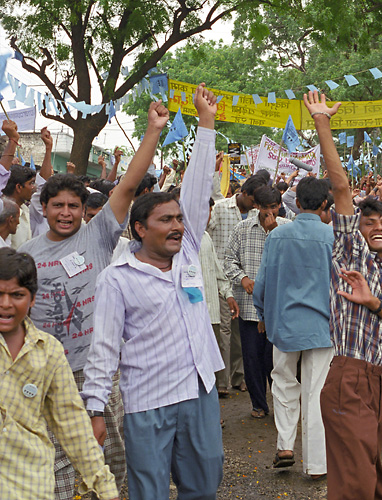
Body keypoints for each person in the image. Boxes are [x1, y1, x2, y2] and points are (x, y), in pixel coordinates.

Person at [81, 84, 225, 499]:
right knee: (150, 492)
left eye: (180, 218)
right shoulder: (117, 278)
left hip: (199, 393)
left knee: (204, 485)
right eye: (167, 220)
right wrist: (95, 409)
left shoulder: (189, 254)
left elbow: (198, 189)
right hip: (148, 403)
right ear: (140, 229)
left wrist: (206, 122)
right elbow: (104, 348)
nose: (179, 225)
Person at [19, 107, 167, 500]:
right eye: (57, 206)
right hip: (53, 373)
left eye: (73, 206)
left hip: (101, 371)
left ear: (84, 210)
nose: (65, 213)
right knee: (58, 464)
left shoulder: (97, 235)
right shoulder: (28, 254)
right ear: (44, 209)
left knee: (115, 460)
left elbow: (129, 184)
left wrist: (153, 129)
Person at [303, 90, 382, 500]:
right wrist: (323, 124)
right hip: (347, 379)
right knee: (355, 486)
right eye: (367, 222)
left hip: (375, 383)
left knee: (373, 481)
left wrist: (375, 304)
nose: (377, 227)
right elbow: (341, 187)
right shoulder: (349, 252)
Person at [0, 248, 118, 500]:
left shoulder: (48, 352)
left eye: (17, 295)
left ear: (32, 299)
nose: (6, 304)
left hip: (29, 484)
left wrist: (105, 488)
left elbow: (72, 423)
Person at [252, 176, 334, 477]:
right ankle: (316, 464)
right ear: (325, 203)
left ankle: (285, 446)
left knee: (284, 384)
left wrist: (262, 314)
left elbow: (261, 284)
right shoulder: (332, 237)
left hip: (285, 324)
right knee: (316, 393)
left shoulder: (276, 237)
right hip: (323, 327)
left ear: (296, 203)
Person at [224, 185, 289, 419]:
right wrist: (242, 279)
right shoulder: (242, 229)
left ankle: (282, 404)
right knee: (251, 359)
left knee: (276, 361)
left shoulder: (286, 229)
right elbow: (229, 260)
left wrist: (274, 232)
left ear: (279, 206)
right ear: (256, 206)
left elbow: (293, 262)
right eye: (265, 207)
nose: (269, 212)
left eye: (274, 207)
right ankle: (259, 404)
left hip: (277, 309)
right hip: (249, 308)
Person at [207, 171, 265, 393]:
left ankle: (239, 377)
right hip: (222, 280)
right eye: (253, 200)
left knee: (240, 332)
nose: (255, 205)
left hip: (245, 282)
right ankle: (221, 382)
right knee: (224, 332)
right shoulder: (220, 208)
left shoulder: (254, 215)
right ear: (244, 193)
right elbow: (205, 229)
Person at [200, 197, 239, 398]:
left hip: (212, 313)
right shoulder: (179, 240)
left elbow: (217, 272)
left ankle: (210, 415)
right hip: (194, 315)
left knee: (210, 367)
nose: (207, 216)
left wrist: (228, 294)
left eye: (209, 211)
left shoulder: (206, 237)